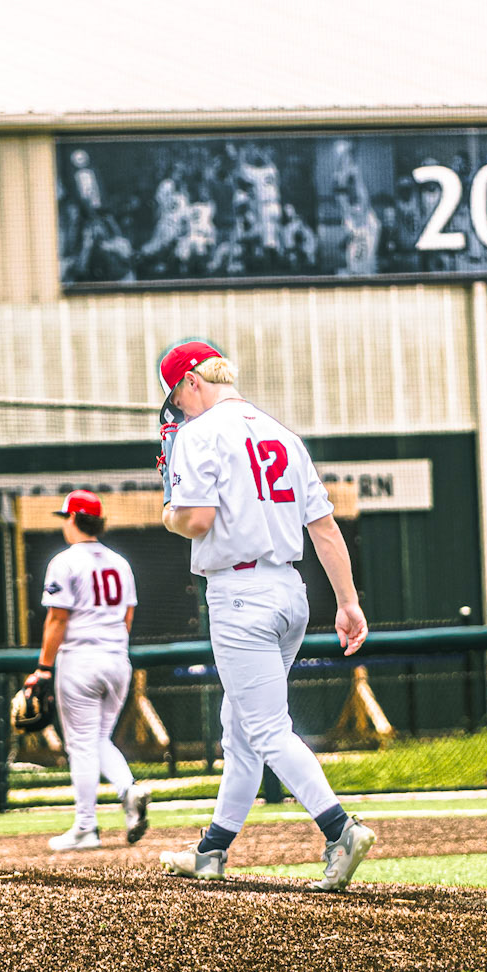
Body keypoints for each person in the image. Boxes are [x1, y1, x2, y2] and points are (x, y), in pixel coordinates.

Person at [156, 339, 375, 890]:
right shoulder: (283, 434)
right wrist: (348, 601)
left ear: (191, 381)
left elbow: (197, 520)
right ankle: (212, 850)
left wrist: (168, 513)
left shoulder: (199, 433)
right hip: (289, 591)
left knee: (266, 729)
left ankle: (340, 829)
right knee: (241, 730)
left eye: (177, 397)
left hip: (239, 594)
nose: (178, 409)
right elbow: (324, 527)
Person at [29, 490, 151, 853]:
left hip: (80, 660)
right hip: (117, 660)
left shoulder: (64, 561)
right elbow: (128, 616)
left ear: (73, 519)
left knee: (81, 745)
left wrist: (43, 669)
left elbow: (57, 619)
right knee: (97, 739)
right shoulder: (121, 563)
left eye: (65, 518)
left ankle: (85, 826)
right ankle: (128, 789)